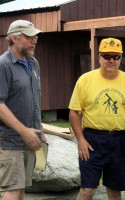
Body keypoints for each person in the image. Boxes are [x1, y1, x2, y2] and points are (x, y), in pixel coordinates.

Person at [69, 37, 125, 200]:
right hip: (92, 141)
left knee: (115, 190)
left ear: (121, 58)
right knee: (87, 189)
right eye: (107, 56)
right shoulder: (85, 80)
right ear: (99, 57)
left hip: (119, 140)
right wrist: (81, 140)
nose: (111, 60)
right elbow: (74, 112)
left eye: (116, 57)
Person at [0, 20, 46, 200]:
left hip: (30, 140)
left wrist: (38, 129)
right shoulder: (3, 65)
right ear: (14, 37)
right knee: (12, 191)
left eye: (35, 36)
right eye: (29, 36)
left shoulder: (33, 63)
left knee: (20, 192)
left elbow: (34, 98)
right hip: (10, 142)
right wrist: (24, 132)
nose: (34, 40)